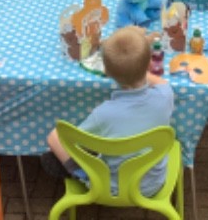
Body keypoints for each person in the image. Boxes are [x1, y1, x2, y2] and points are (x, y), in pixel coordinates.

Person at [41, 26, 174, 197]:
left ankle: (82, 174)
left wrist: (122, 68)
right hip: (153, 184)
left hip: (108, 188)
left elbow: (75, 142)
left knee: (54, 137)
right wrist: (136, 67)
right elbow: (161, 82)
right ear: (149, 63)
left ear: (107, 72)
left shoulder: (103, 114)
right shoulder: (165, 95)